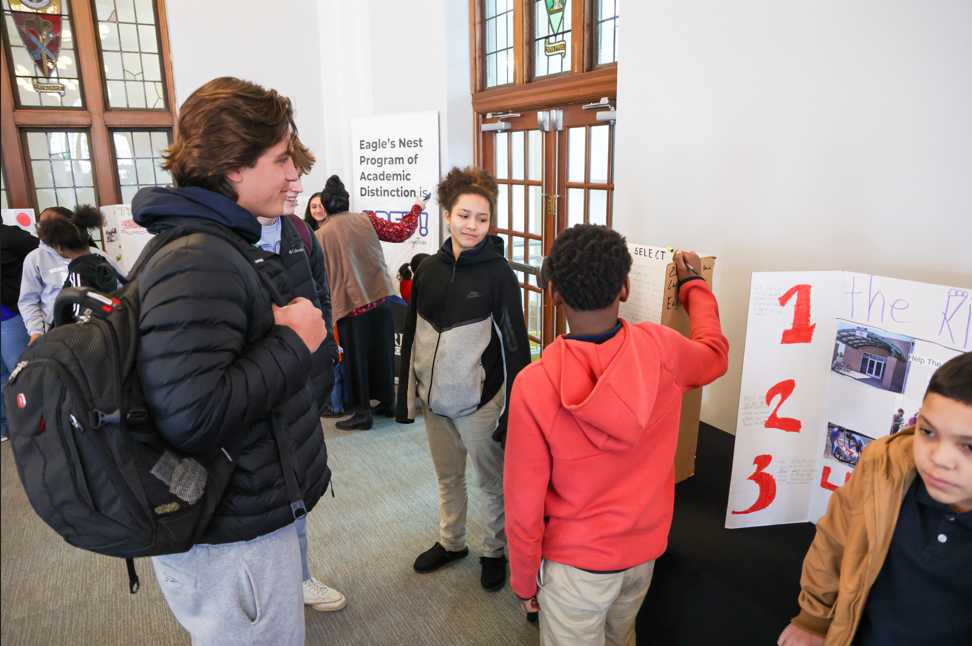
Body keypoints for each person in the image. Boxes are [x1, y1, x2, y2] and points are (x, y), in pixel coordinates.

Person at [131, 76, 331, 646]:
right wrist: (295, 343)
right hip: (232, 533)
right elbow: (191, 414)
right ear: (233, 167)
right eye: (281, 159)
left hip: (239, 514)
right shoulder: (199, 258)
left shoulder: (213, 244)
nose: (295, 175)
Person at [504, 225, 729, 646]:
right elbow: (715, 354)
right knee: (622, 636)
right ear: (625, 287)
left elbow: (523, 504)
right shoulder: (664, 350)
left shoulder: (534, 385)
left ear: (553, 293)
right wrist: (695, 286)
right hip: (643, 554)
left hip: (574, 566)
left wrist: (522, 580)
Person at [397, 166, 532, 591]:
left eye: (482, 218)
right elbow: (413, 334)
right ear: (447, 214)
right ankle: (452, 542)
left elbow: (516, 348)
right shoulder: (427, 271)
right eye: (464, 215)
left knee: (492, 483)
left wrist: (516, 412)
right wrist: (408, 395)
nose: (472, 225)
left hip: (480, 404)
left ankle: (495, 550)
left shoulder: (499, 276)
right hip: (435, 403)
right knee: (447, 478)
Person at [778, 352, 972, 646]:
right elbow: (835, 538)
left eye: (969, 446)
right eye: (928, 431)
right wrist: (814, 619)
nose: (939, 458)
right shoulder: (884, 464)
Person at [254, 136, 345, 613]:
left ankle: (301, 577)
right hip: (258, 402)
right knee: (268, 502)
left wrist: (324, 344)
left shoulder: (299, 233)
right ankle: (282, 592)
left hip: (304, 391)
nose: (296, 182)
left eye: (298, 169)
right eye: (284, 166)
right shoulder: (225, 245)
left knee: (297, 496)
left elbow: (322, 297)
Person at [314, 175, 423, 431]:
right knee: (383, 354)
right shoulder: (367, 219)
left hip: (351, 307)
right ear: (347, 202)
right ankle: (388, 403)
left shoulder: (320, 236)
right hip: (380, 298)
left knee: (357, 361)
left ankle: (363, 413)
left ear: (327, 207)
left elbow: (318, 277)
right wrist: (417, 208)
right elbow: (402, 232)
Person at [18, 206, 122, 344]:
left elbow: (122, 287)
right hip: (56, 331)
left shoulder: (96, 258)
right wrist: (36, 332)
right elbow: (29, 300)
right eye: (42, 224)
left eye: (53, 222)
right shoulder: (34, 258)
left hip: (91, 330)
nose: (47, 227)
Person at [1, 222, 39, 442]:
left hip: (11, 315)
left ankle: (31, 424)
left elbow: (43, 251)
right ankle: (7, 425)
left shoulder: (9, 235)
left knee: (20, 373)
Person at [35, 206, 123, 294]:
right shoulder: (102, 260)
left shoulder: (77, 274)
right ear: (87, 238)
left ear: (59, 248)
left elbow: (79, 304)